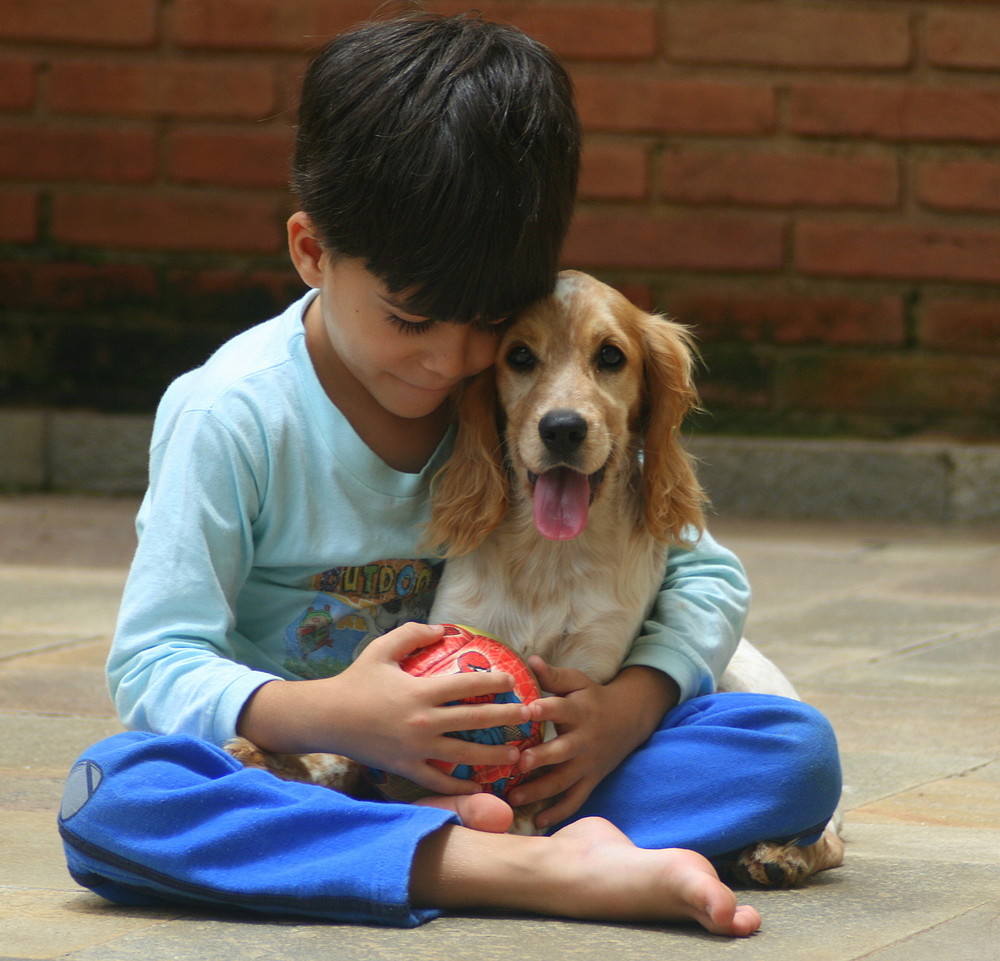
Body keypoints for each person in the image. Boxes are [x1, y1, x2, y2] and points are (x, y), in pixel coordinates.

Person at [58, 11, 841, 938]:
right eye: (410, 317)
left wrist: (627, 713)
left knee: (793, 751)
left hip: (525, 766)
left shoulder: (510, 404)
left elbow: (701, 567)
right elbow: (153, 660)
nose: (447, 359)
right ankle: (533, 861)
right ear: (312, 252)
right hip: (316, 766)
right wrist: (334, 715)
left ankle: (439, 850)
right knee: (118, 795)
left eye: (485, 321)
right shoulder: (231, 414)